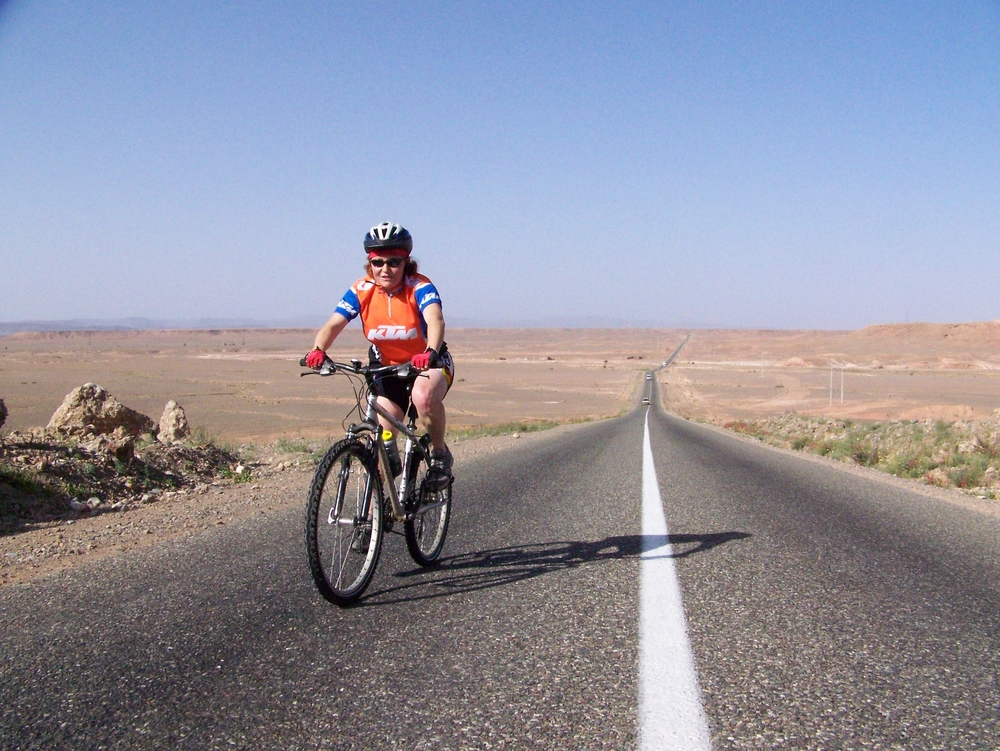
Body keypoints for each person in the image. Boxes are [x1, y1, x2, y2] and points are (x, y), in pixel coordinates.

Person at [306, 222, 454, 488]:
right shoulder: (362, 289)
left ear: (406, 263)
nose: (386, 269)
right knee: (381, 440)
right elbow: (333, 324)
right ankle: (375, 519)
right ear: (370, 263)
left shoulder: (419, 286)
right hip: (386, 368)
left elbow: (436, 320)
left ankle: (440, 455)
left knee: (423, 398)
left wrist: (430, 351)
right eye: (378, 263)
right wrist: (319, 349)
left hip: (427, 363)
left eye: (394, 262)